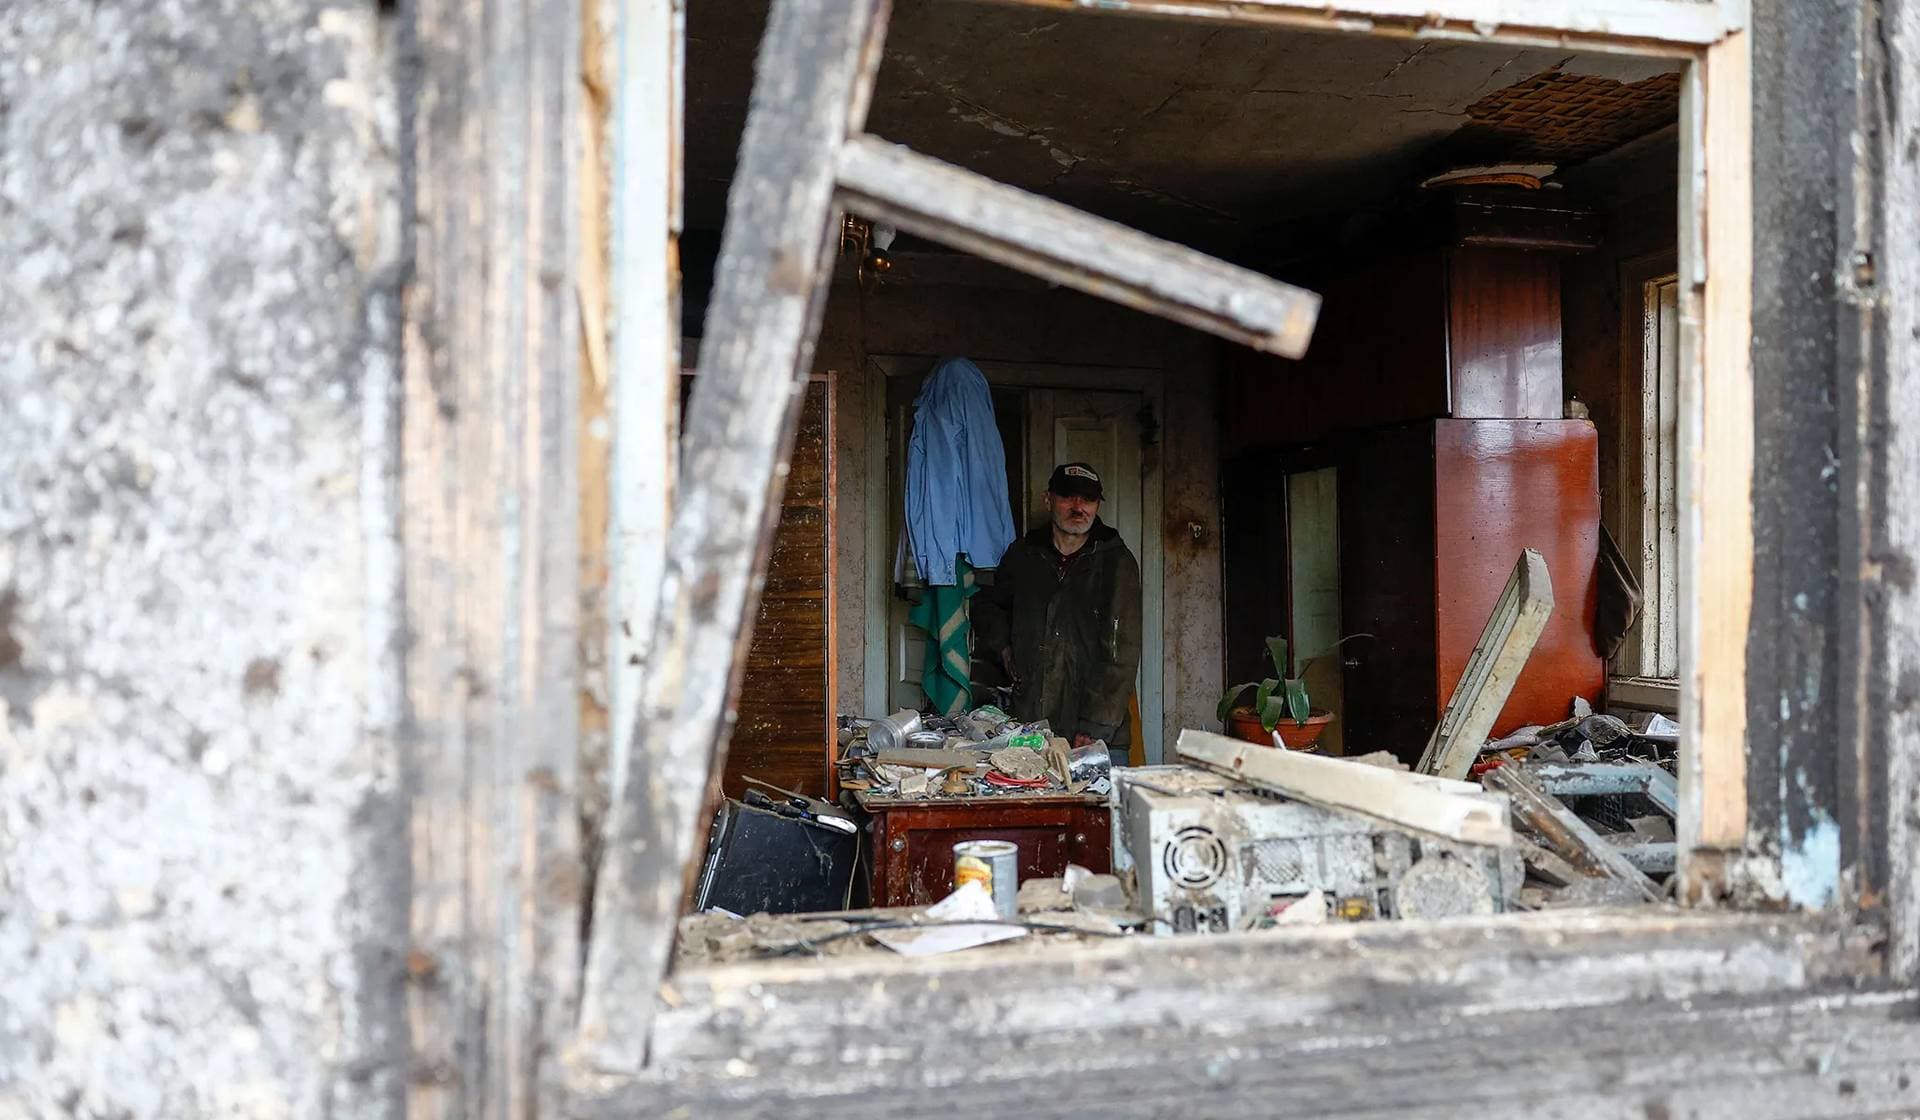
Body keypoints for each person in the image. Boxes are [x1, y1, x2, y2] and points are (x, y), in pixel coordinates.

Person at [972, 462, 1143, 755]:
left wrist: (1095, 726)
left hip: (1095, 731)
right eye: (1068, 497)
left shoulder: (1116, 562)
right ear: (1048, 499)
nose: (1078, 507)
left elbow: (1121, 653)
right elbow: (989, 605)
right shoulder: (1023, 555)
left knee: (1096, 800)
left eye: (1088, 499)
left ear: (1097, 505)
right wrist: (1005, 647)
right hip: (1028, 722)